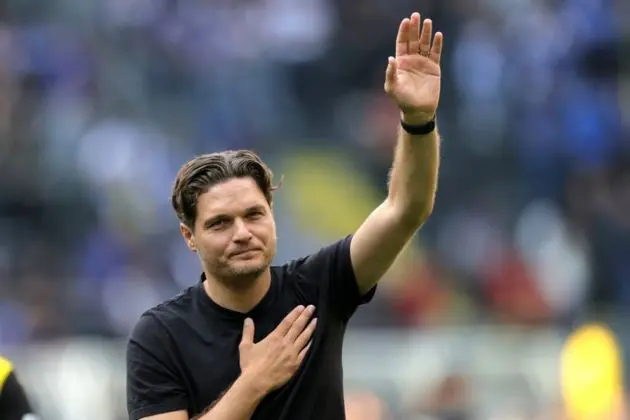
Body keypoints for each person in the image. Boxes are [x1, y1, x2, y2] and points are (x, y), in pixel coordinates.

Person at [126, 11, 443, 420]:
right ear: (189, 236)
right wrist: (255, 382)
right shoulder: (160, 335)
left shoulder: (317, 288)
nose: (242, 233)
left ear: (272, 216)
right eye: (220, 223)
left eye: (253, 215)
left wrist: (417, 121)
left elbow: (405, 209)